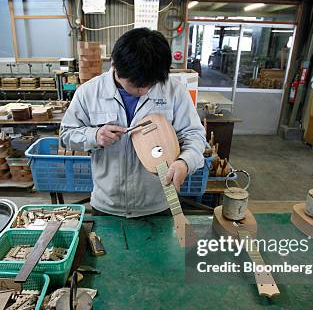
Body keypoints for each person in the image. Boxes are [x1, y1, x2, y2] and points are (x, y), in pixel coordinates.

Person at [60, 28, 206, 218]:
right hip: (107, 205)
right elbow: (66, 135)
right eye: (137, 85)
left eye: (150, 84)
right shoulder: (89, 92)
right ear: (114, 65)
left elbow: (194, 136)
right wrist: (94, 136)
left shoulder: (174, 92)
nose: (144, 91)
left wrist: (184, 163)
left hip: (159, 203)